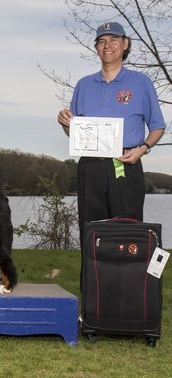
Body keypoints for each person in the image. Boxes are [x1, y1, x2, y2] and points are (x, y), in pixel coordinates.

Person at [57, 22, 165, 249]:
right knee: (91, 233)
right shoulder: (84, 85)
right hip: (90, 168)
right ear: (96, 48)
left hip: (126, 164)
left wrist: (142, 148)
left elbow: (157, 127)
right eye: (102, 41)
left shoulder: (141, 82)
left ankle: (129, 284)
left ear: (125, 44)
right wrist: (66, 123)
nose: (107, 45)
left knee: (128, 235)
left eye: (113, 40)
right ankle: (92, 285)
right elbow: (75, 133)